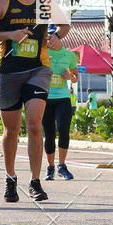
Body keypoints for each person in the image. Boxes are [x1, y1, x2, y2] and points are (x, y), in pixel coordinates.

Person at [0, 0, 70, 203]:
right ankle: (10, 179)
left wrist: (56, 37)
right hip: (8, 71)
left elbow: (64, 25)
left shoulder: (44, 2)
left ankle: (35, 182)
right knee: (11, 129)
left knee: (33, 124)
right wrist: (11, 34)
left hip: (38, 69)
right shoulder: (2, 2)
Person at [43, 45, 78, 181]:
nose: (50, 39)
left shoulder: (69, 55)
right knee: (49, 134)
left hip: (63, 98)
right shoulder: (43, 52)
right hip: (46, 98)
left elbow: (76, 77)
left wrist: (70, 76)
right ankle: (50, 167)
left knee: (63, 130)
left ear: (59, 38)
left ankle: (62, 166)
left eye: (53, 36)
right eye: (49, 36)